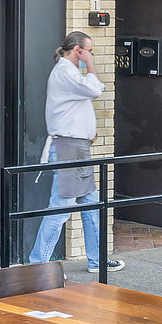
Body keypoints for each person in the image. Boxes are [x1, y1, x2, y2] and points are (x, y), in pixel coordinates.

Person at [28, 31, 124, 273]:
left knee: (91, 205)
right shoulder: (65, 72)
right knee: (60, 208)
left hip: (77, 148)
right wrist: (90, 63)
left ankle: (97, 260)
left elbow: (91, 89)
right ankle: (37, 266)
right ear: (77, 50)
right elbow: (94, 89)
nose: (91, 55)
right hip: (69, 147)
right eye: (89, 51)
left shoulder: (69, 72)